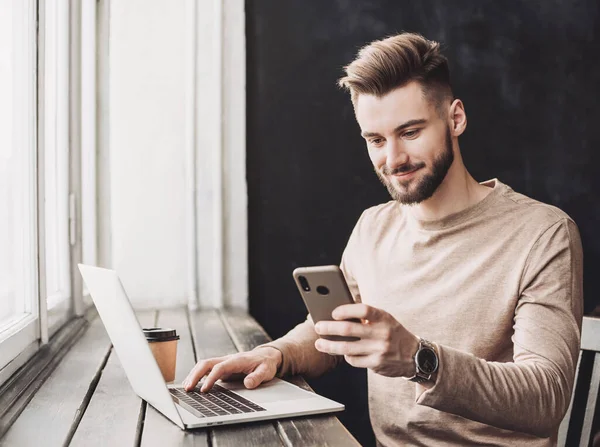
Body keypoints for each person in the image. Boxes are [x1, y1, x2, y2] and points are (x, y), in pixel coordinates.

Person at [183, 32, 583, 445]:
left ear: (455, 118)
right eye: (376, 140)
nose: (393, 160)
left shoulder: (543, 233)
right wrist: (275, 355)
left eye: (410, 132)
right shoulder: (373, 226)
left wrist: (418, 359)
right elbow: (329, 331)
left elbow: (546, 396)